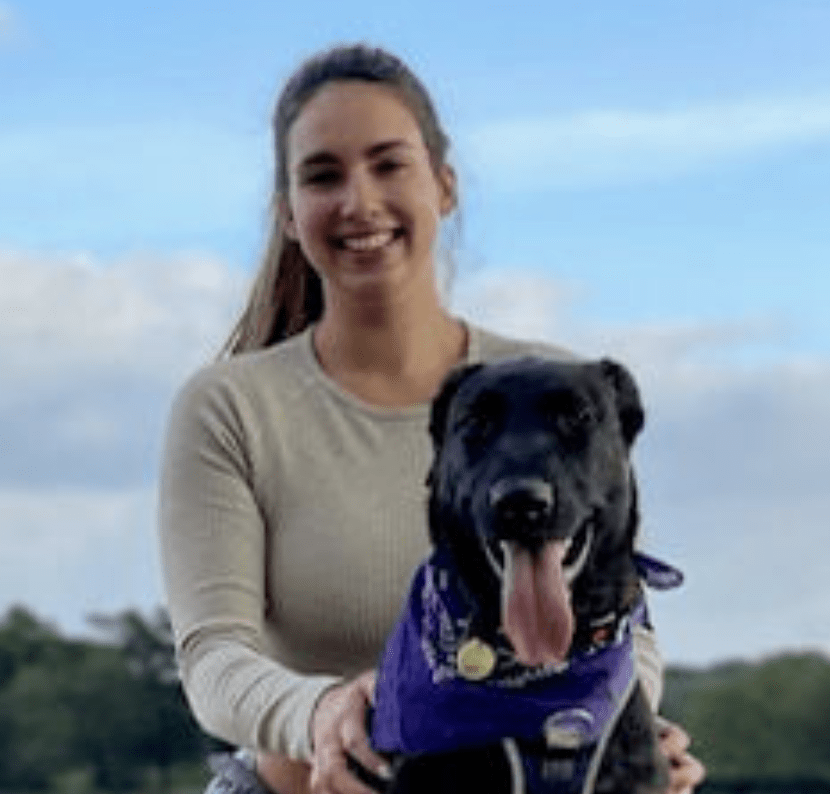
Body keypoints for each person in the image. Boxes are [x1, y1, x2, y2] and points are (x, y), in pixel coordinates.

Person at [158, 43, 705, 794]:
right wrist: (321, 712)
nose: (359, 201)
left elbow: (624, 614)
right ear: (288, 213)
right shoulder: (228, 408)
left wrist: (626, 734)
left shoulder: (564, 392)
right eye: (323, 175)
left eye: (389, 165)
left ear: (444, 186)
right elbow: (214, 657)